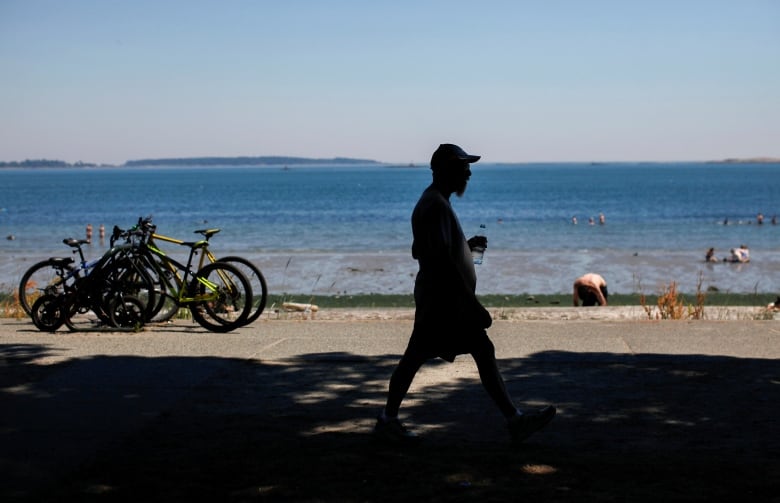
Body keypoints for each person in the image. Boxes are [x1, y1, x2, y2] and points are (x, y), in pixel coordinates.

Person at [374, 143, 556, 445]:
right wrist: (472, 305)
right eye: (462, 167)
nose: (468, 173)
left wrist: (465, 247)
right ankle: (515, 421)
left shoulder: (435, 202)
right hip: (443, 303)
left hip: (439, 300)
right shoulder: (434, 205)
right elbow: (440, 263)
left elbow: (422, 249)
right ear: (444, 171)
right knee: (462, 352)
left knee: (423, 357)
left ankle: (388, 420)